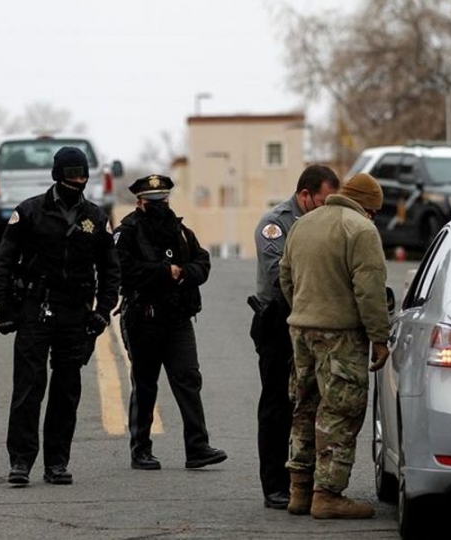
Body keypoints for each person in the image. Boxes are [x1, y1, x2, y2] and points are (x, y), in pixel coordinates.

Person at [0, 146, 120, 486]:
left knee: (66, 390)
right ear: (57, 174)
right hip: (37, 307)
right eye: (71, 174)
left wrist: (102, 312)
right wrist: (4, 308)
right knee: (28, 388)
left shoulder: (96, 218)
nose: (77, 180)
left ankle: (57, 462)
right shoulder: (30, 212)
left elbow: (111, 272)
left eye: (82, 174)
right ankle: (20, 461)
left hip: (75, 312)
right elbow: (4, 262)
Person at [278, 172, 391, 519]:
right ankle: (327, 495)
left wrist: (304, 308)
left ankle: (299, 489)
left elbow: (285, 275)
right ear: (369, 208)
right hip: (341, 335)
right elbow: (369, 290)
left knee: (305, 407)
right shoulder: (360, 230)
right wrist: (379, 338)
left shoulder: (303, 224)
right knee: (341, 411)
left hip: (301, 329)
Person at [115, 174, 227, 471]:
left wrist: (184, 273)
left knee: (188, 380)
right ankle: (141, 449)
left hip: (178, 320)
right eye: (152, 202)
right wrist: (166, 273)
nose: (159, 206)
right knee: (146, 385)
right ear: (139, 202)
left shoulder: (180, 231)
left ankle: (197, 447)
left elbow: (202, 263)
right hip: (145, 319)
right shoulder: (127, 232)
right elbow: (124, 271)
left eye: (163, 200)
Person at [249, 165, 340, 509]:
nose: (327, 208)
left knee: (312, 405)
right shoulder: (277, 224)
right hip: (278, 324)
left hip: (313, 324)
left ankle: (306, 481)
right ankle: (274, 484)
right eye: (323, 201)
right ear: (305, 196)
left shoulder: (327, 224)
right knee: (277, 405)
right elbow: (279, 277)